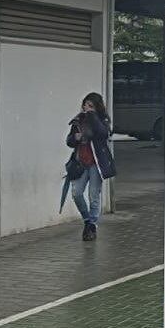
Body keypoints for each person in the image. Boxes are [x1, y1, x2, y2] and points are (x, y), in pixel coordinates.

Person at [66, 92, 116, 242]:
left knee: (94, 195)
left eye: (91, 106)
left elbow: (103, 133)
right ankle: (87, 220)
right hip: (81, 162)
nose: (86, 108)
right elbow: (69, 141)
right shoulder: (78, 120)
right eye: (85, 105)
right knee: (76, 193)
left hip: (96, 163)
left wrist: (92, 116)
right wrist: (75, 138)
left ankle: (92, 225)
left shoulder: (102, 119)